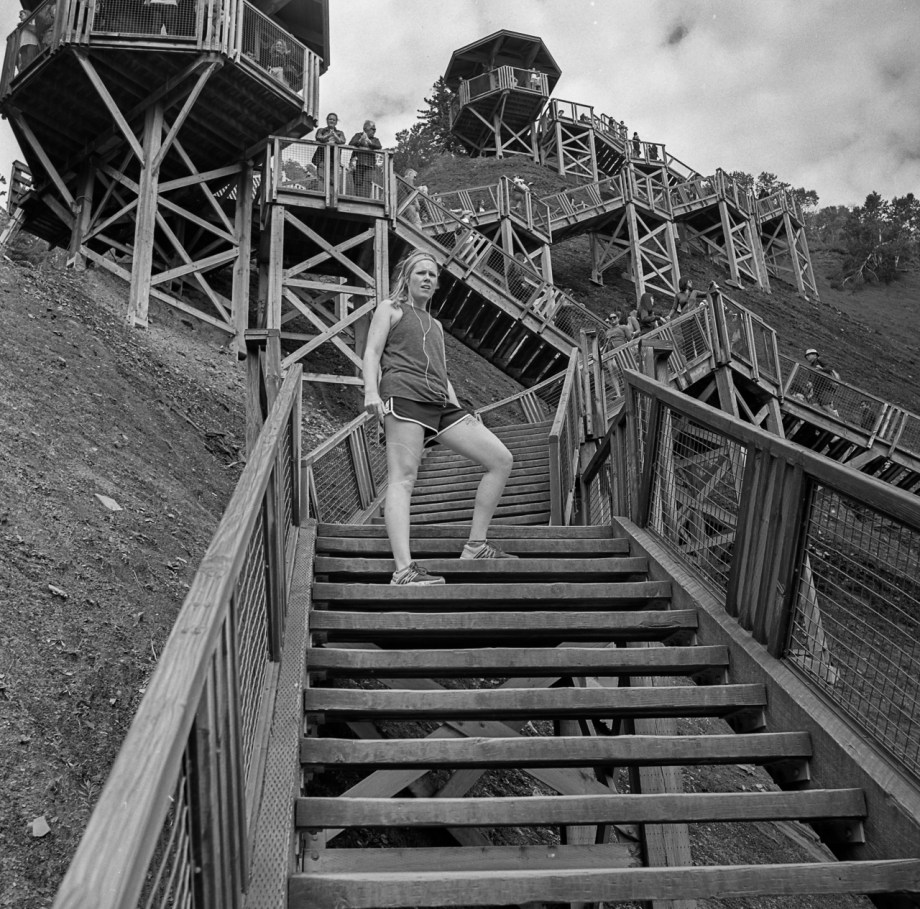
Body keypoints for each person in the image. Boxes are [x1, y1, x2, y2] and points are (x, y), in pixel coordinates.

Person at [362, 251, 517, 585]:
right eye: (421, 273)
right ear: (407, 277)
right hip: (404, 395)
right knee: (403, 478)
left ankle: (476, 545)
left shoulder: (435, 325)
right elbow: (372, 352)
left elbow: (442, 373)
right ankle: (403, 571)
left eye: (432, 275)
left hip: (440, 402)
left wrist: (460, 411)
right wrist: (371, 392)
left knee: (501, 459)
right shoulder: (391, 309)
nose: (427, 279)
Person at [349, 120, 382, 197]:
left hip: (369, 165)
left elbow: (379, 146)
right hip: (358, 164)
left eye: (375, 129)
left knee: (368, 182)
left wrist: (370, 143)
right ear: (366, 128)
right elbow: (351, 143)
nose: (374, 131)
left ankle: (366, 198)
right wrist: (360, 141)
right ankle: (358, 198)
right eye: (372, 129)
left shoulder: (375, 140)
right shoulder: (358, 135)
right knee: (358, 182)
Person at [804, 348, 841, 415]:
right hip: (817, 389)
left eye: (808, 355)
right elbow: (811, 377)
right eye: (806, 356)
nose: (807, 357)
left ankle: (835, 416)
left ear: (815, 355)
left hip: (826, 387)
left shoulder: (819, 359)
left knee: (825, 406)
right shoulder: (811, 366)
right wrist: (809, 383)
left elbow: (830, 367)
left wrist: (822, 369)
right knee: (815, 405)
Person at [312, 113, 346, 178]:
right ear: (327, 120)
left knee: (333, 180)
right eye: (330, 119)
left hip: (334, 161)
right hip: (322, 160)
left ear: (336, 122)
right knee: (322, 179)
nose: (332, 121)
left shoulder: (340, 133)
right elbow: (319, 137)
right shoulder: (321, 130)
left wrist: (335, 136)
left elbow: (342, 141)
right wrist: (329, 135)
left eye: (334, 120)